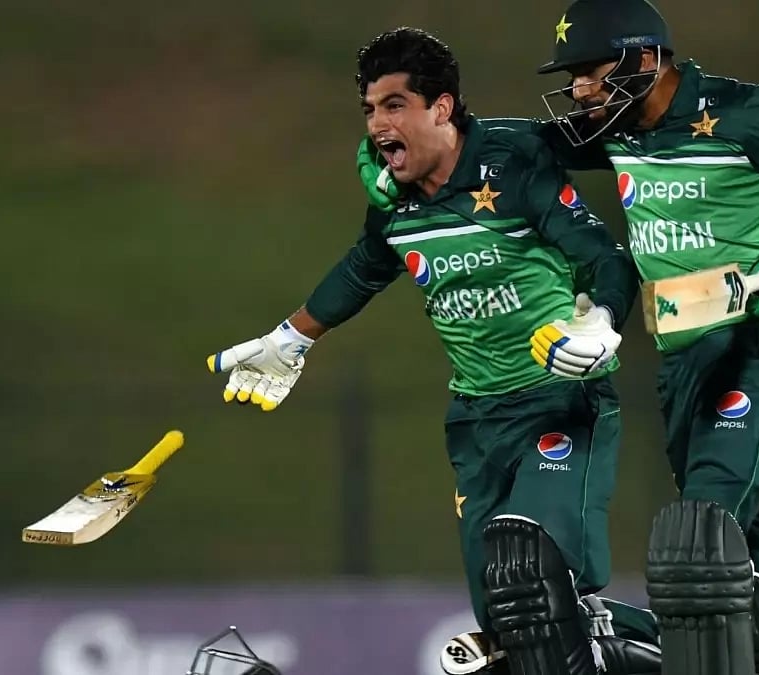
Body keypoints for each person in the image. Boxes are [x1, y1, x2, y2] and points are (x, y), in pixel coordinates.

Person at [356, 2, 759, 675]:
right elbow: (492, 146)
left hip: (758, 353)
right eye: (572, 76)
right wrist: (384, 156)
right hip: (684, 370)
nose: (578, 90)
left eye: (589, 72)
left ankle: (587, 630)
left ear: (644, 59)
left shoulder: (745, 113)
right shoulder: (614, 128)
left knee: (696, 549)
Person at [208, 26, 660, 675]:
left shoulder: (512, 168)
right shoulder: (395, 201)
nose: (377, 124)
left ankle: (700, 646)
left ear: (441, 108)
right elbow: (367, 263)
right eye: (369, 109)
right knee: (506, 628)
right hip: (477, 421)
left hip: (560, 405)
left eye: (393, 105)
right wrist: (292, 337)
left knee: (535, 581)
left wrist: (601, 324)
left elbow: (606, 261)